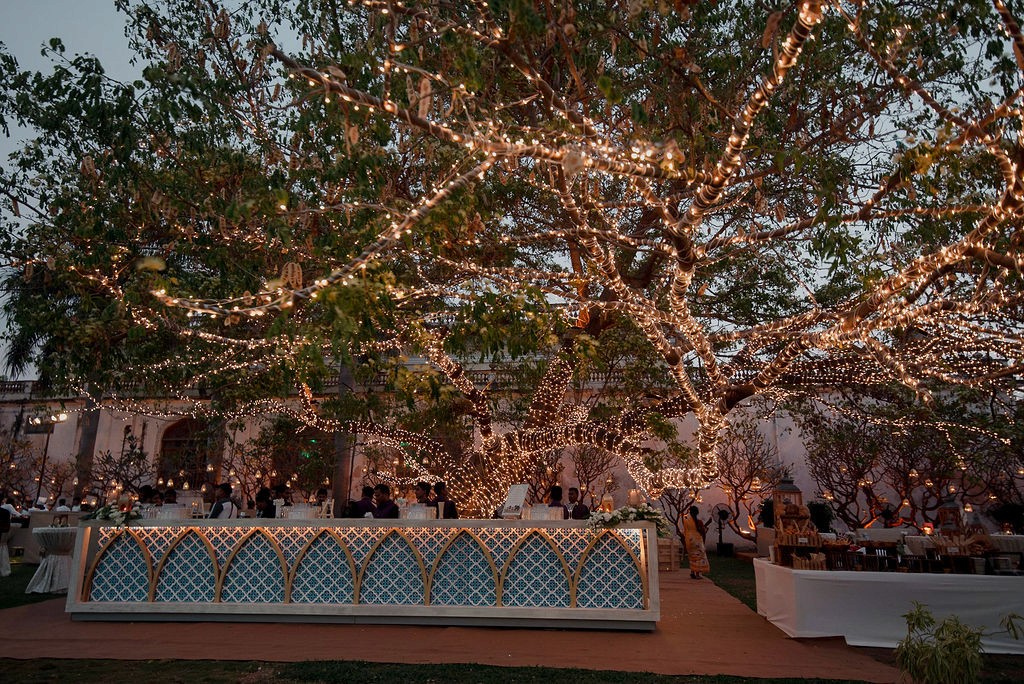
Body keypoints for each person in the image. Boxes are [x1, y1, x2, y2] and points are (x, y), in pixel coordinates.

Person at [683, 505, 710, 579]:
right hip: (697, 540)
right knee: (699, 557)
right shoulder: (699, 522)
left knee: (692, 557)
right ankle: (697, 574)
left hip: (689, 540)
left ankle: (692, 572)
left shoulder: (686, 521)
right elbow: (702, 531)